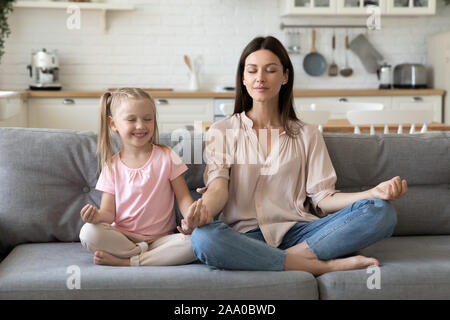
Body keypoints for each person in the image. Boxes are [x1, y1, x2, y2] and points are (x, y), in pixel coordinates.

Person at [183, 36, 408, 276]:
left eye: (271, 70)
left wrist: (374, 193)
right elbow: (218, 188)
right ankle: (320, 266)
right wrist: (201, 212)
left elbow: (324, 198)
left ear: (285, 77)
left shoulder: (307, 134)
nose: (260, 78)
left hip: (302, 234)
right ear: (243, 78)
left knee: (381, 211)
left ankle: (282, 259)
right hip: (244, 236)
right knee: (204, 239)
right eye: (252, 71)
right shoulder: (222, 131)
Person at [79, 88, 205, 266]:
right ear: (113, 124)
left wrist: (192, 218)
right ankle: (141, 256)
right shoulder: (111, 166)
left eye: (148, 119)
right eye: (131, 120)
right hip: (124, 238)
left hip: (161, 240)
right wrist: (96, 217)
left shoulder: (168, 155)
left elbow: (183, 197)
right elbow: (108, 214)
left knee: (197, 242)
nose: (141, 125)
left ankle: (129, 261)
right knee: (88, 233)